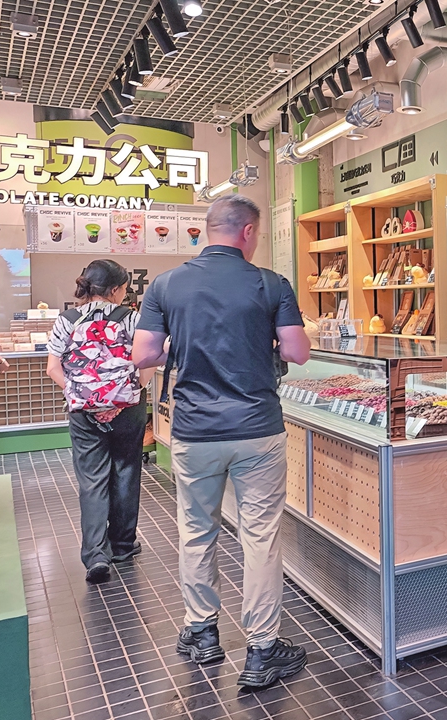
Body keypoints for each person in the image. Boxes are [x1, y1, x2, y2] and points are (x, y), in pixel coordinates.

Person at [132, 195, 311, 688]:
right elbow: (297, 351)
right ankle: (262, 650)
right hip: (258, 428)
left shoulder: (166, 286)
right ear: (249, 232)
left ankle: (202, 633)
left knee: (196, 531)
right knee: (261, 537)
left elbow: (143, 355)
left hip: (194, 431)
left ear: (205, 231)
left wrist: (179, 342)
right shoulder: (271, 283)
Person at [46, 259, 153, 584]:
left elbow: (53, 368)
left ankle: (95, 554)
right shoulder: (134, 318)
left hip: (82, 414)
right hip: (128, 409)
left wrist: (85, 398)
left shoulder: (66, 320)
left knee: (91, 480)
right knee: (125, 472)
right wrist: (123, 398)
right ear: (118, 289)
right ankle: (122, 545)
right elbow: (145, 364)